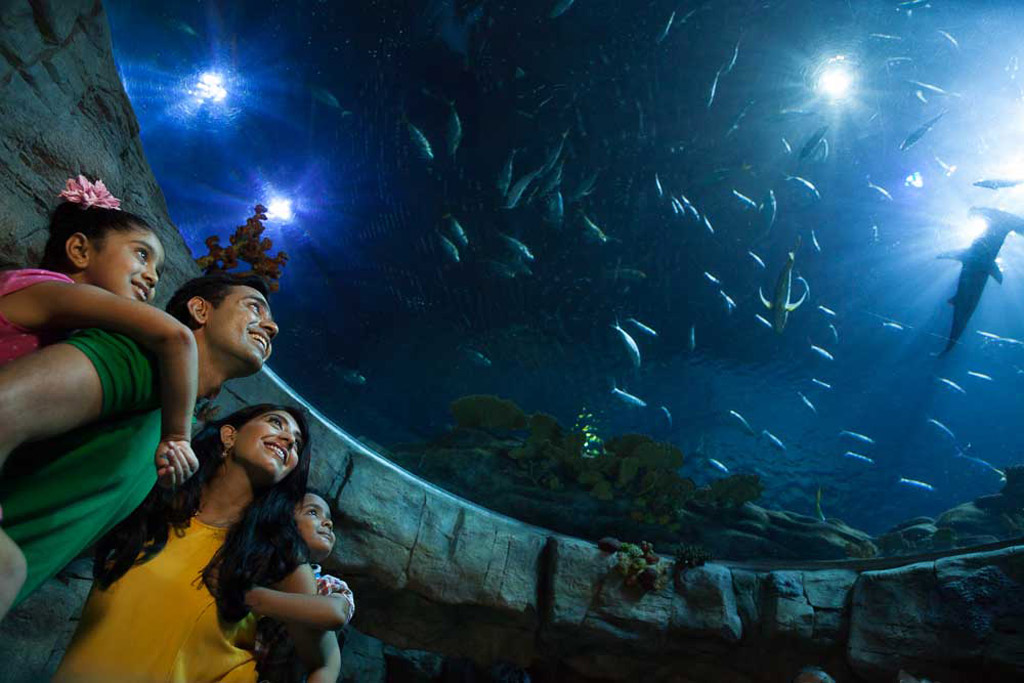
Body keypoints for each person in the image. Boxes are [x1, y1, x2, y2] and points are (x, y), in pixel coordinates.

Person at [0, 272, 278, 620]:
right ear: (200, 310)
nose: (271, 327)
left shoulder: (173, 435)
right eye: (255, 308)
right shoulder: (139, 359)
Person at [54, 404, 338, 682]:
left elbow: (324, 663)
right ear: (229, 436)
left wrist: (252, 597)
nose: (289, 439)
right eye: (276, 423)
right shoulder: (152, 502)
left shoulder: (275, 554)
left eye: (297, 444)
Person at [0, 175, 202, 487]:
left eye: (158, 272)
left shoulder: (46, 301)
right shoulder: (54, 290)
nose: (152, 277)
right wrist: (177, 436)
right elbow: (175, 336)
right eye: (142, 254)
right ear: (80, 250)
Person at [250, 490, 354, 683]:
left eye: (329, 518)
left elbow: (336, 613)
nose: (328, 523)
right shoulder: (256, 567)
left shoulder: (328, 585)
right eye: (313, 512)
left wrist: (254, 598)